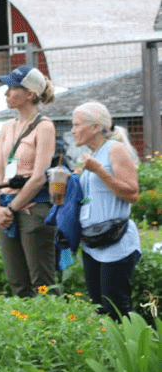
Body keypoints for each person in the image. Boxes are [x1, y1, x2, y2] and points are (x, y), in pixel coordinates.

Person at [0, 65, 58, 297]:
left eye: (12, 88)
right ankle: (26, 328)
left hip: (31, 209)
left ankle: (51, 329)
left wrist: (10, 208)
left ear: (30, 94)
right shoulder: (7, 127)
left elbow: (39, 176)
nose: (6, 93)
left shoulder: (44, 126)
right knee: (17, 282)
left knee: (42, 283)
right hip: (6, 209)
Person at [72, 101, 141, 318]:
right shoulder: (91, 157)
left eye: (76, 125)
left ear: (95, 127)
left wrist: (99, 171)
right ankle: (107, 350)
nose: (72, 130)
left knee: (116, 307)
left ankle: (129, 350)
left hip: (116, 240)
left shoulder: (115, 149)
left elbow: (132, 193)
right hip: (93, 241)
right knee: (99, 308)